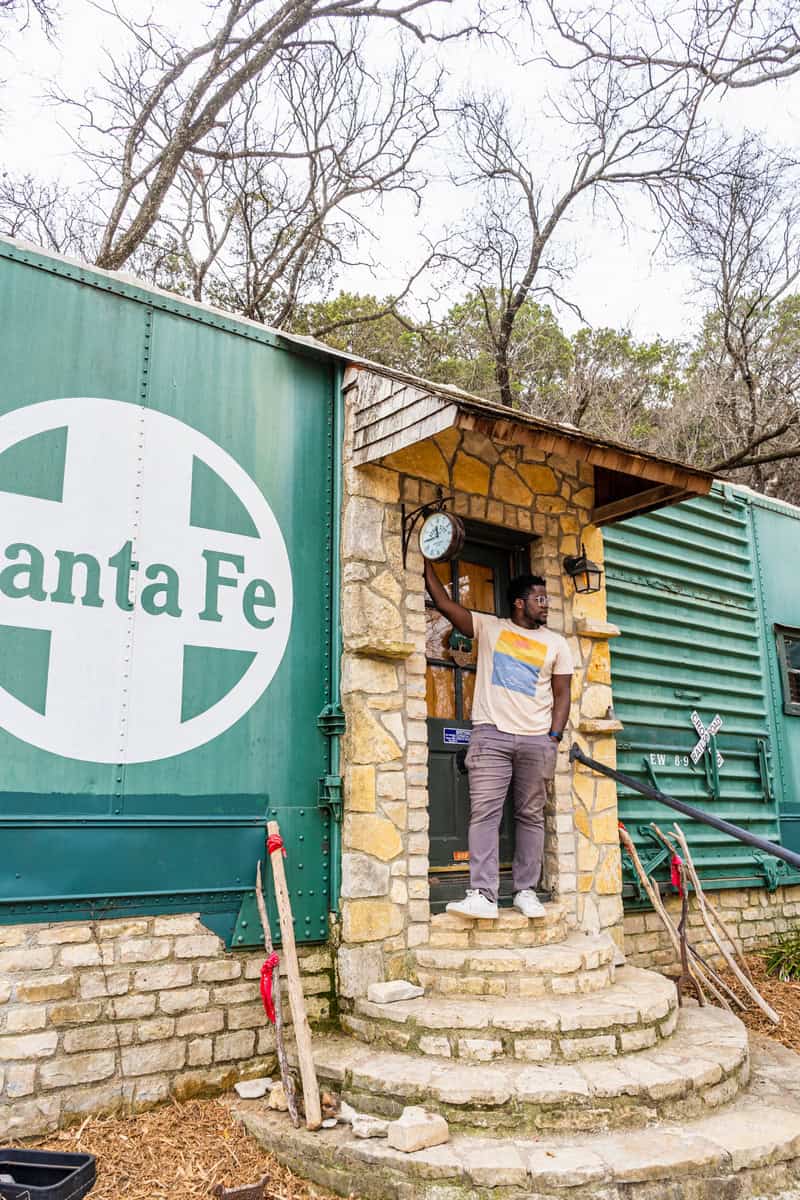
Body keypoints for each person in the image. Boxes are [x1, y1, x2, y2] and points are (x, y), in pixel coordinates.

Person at [424, 561, 573, 919]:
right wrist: (426, 562)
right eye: (539, 599)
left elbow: (563, 694)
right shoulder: (490, 628)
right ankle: (484, 895)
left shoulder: (557, 644)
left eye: (547, 599)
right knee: (485, 814)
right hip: (491, 735)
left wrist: (553, 738)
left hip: (537, 739)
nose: (546, 604)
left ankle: (525, 891)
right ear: (520, 603)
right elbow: (445, 605)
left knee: (531, 816)